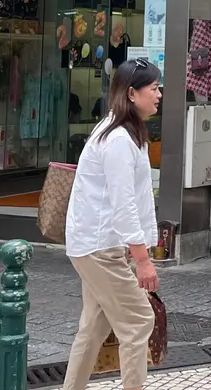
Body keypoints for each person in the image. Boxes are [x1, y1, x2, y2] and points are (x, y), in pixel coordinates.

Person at [62, 59, 161, 390]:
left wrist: (135, 248)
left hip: (97, 244)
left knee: (94, 327)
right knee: (139, 321)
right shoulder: (118, 138)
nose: (159, 94)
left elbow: (129, 200)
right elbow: (124, 204)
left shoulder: (123, 132)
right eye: (154, 88)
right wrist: (142, 258)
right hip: (99, 246)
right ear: (132, 94)